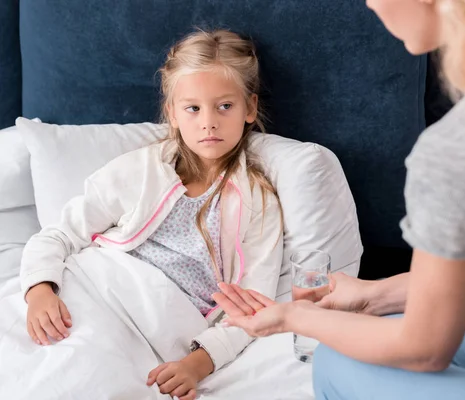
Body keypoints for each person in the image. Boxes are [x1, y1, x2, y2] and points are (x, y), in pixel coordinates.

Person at [212, 1, 465, 399]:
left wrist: (295, 317)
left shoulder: (463, 149)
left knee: (339, 361)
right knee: (349, 349)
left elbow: (423, 349)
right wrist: (373, 296)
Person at [20, 29, 283, 400]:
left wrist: (198, 363)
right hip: (90, 287)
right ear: (172, 113)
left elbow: (255, 306)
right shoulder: (138, 170)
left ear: (250, 108)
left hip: (157, 321)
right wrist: (39, 290)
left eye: (224, 106)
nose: (208, 122)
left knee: (85, 380)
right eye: (193, 108)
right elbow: (59, 235)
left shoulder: (258, 201)